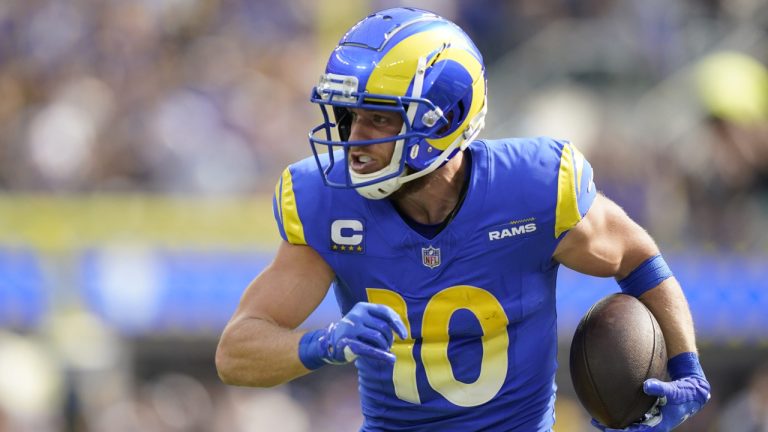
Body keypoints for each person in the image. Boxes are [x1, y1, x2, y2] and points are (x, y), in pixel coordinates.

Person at [215, 7, 710, 431]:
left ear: (443, 119)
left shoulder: (533, 190)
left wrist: (687, 365)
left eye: (379, 118)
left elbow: (636, 255)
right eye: (349, 117)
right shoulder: (329, 204)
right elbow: (236, 351)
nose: (353, 140)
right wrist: (321, 344)